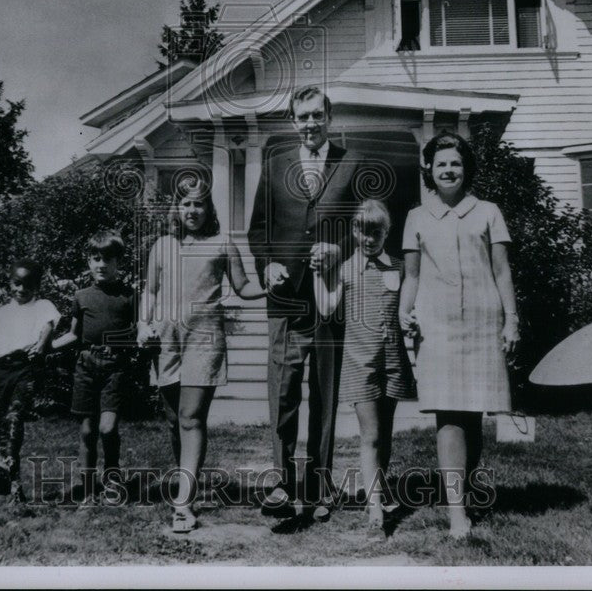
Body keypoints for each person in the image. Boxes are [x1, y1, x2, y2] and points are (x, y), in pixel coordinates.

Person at [247, 85, 366, 524]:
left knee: (324, 394)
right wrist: (266, 264)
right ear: (292, 121)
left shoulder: (351, 164)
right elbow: (257, 229)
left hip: (330, 298)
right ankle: (281, 482)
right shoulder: (276, 164)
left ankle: (319, 486)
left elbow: (370, 227)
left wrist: (341, 252)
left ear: (329, 116)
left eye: (318, 115)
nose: (311, 124)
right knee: (283, 392)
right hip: (285, 300)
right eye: (303, 117)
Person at [398, 131, 520, 539]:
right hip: (438, 324)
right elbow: (411, 275)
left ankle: (465, 495)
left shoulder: (488, 211)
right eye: (441, 164)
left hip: (484, 321)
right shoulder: (417, 217)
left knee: (474, 413)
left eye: (456, 163)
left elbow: (502, 270)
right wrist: (404, 311)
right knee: (449, 415)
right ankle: (456, 512)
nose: (448, 170)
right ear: (429, 171)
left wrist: (512, 319)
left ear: (466, 170)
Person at [139, 172, 265, 533]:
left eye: (199, 203)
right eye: (185, 203)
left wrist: (271, 287)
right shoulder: (161, 245)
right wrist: (141, 324)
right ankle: (187, 486)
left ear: (209, 208)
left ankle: (183, 504)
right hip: (165, 339)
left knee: (191, 417)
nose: (192, 209)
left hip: (204, 337)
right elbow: (150, 292)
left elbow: (242, 287)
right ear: (176, 208)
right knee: (175, 420)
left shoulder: (223, 242)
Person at [314, 199, 416, 539]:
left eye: (376, 232)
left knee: (384, 434)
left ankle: (380, 491)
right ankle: (375, 514)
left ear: (386, 232)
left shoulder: (398, 268)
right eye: (363, 231)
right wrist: (319, 274)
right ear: (354, 232)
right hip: (360, 362)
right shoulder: (344, 269)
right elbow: (327, 308)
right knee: (370, 435)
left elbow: (407, 311)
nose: (369, 239)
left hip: (392, 361)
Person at [51, 232, 136, 505]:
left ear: (118, 262)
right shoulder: (81, 296)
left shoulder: (129, 296)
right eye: (95, 259)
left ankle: (112, 481)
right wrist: (47, 346)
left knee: (108, 428)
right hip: (86, 366)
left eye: (107, 259)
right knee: (88, 430)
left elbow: (137, 333)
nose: (101, 264)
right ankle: (88, 490)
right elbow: (74, 334)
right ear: (89, 262)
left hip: (115, 368)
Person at [0, 259, 59, 502]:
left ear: (36, 286)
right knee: (0, 425)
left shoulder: (42, 306)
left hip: (25, 368)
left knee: (15, 417)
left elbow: (48, 328)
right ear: (10, 283)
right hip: (1, 371)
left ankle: (7, 465)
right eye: (17, 284)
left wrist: (40, 346)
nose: (21, 289)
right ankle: (11, 482)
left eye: (27, 285)